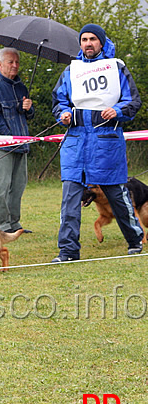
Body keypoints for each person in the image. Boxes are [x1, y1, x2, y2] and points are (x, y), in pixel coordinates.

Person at [51, 24, 143, 262]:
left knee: (117, 197)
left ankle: (135, 239)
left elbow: (132, 100)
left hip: (106, 143)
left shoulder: (117, 67)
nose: (88, 43)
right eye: (84, 39)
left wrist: (118, 110)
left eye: (93, 39)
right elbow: (58, 100)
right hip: (76, 141)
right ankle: (68, 251)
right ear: (80, 44)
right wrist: (62, 114)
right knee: (70, 199)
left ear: (101, 42)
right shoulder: (71, 70)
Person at [0, 47, 35, 233]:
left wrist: (29, 108)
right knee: (2, 187)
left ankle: (14, 224)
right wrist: (10, 136)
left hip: (22, 144)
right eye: (10, 62)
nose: (14, 65)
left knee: (18, 186)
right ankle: (2, 226)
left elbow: (27, 116)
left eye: (17, 62)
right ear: (0, 64)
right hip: (2, 146)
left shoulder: (21, 87)